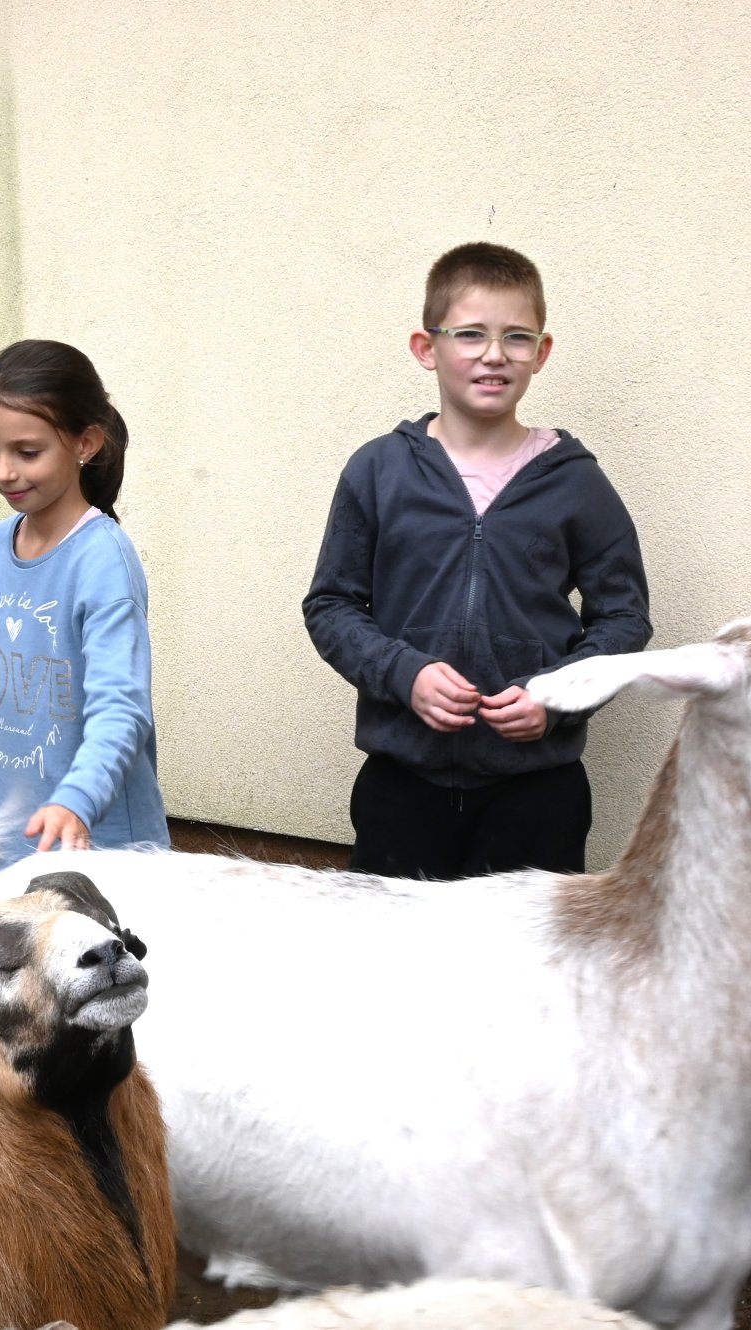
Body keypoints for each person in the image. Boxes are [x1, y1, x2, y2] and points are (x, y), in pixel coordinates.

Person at [303, 242, 651, 881]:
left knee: (523, 976)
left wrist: (556, 695)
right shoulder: (378, 471)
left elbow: (625, 618)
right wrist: (404, 674)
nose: (495, 354)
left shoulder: (575, 484)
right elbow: (331, 606)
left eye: (517, 337)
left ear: (541, 353)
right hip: (401, 784)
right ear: (425, 347)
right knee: (397, 967)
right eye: (471, 334)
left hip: (537, 792)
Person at [0, 339, 169, 891]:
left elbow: (122, 711)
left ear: (85, 443)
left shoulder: (103, 559)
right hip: (26, 858)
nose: (4, 471)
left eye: (27, 451)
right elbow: (1, 715)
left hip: (110, 856)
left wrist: (76, 800)